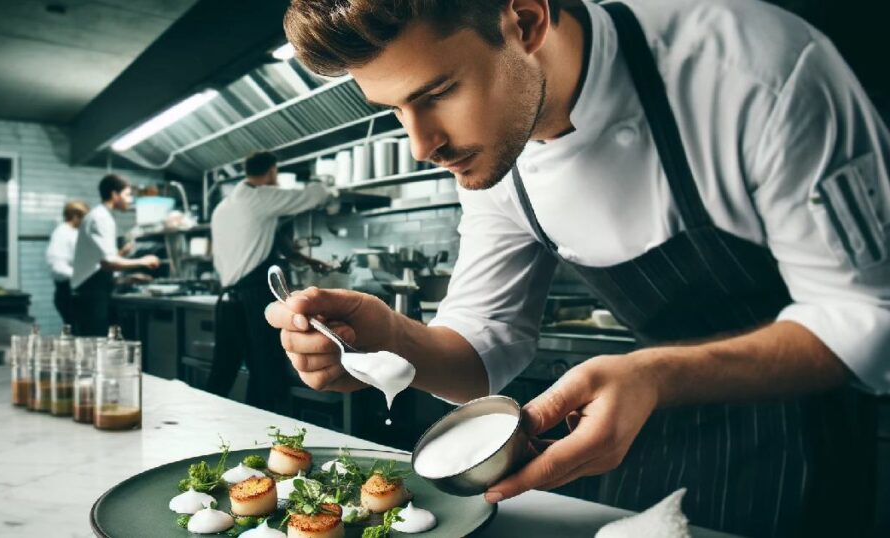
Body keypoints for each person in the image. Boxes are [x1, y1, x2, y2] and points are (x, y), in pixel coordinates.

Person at [269, 1, 890, 535]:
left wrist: (658, 375)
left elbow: (866, 315)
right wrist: (392, 341)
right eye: (395, 110)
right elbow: (486, 345)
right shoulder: (491, 148)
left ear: (526, 20)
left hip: (809, 437)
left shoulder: (754, 72)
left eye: (437, 94)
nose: (421, 145)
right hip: (645, 432)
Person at [208, 152, 332, 412]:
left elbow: (260, 240)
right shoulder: (260, 197)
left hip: (228, 298)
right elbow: (314, 196)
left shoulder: (224, 205)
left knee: (222, 373)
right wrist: (324, 182)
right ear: (272, 171)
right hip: (254, 298)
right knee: (266, 370)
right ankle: (267, 432)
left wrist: (303, 259)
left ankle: (207, 430)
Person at [72, 174, 160, 337]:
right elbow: (108, 263)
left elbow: (99, 264)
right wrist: (144, 261)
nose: (130, 200)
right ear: (114, 194)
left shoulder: (99, 215)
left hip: (92, 290)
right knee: (95, 344)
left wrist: (126, 279)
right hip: (92, 295)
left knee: (94, 344)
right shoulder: (101, 217)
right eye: (127, 195)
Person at [45, 200, 89, 327]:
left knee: (79, 333)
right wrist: (85, 276)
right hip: (67, 292)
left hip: (73, 291)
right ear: (75, 216)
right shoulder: (62, 233)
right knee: (77, 333)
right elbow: (57, 267)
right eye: (85, 218)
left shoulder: (73, 232)